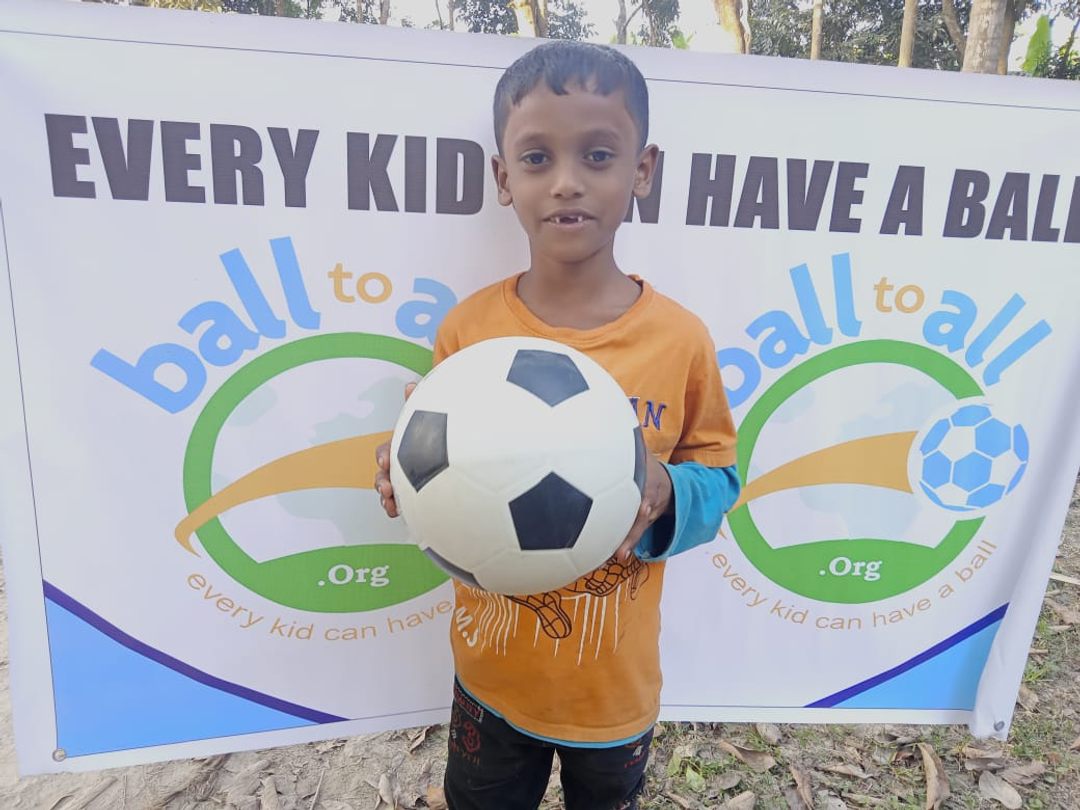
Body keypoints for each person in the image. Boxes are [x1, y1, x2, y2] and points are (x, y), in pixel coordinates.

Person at [374, 40, 740, 810]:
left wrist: (667, 489)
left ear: (643, 169)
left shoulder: (679, 340)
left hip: (612, 693)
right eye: (537, 158)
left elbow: (722, 478)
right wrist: (405, 468)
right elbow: (435, 466)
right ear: (504, 178)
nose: (567, 181)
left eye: (598, 155)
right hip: (490, 680)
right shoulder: (470, 332)